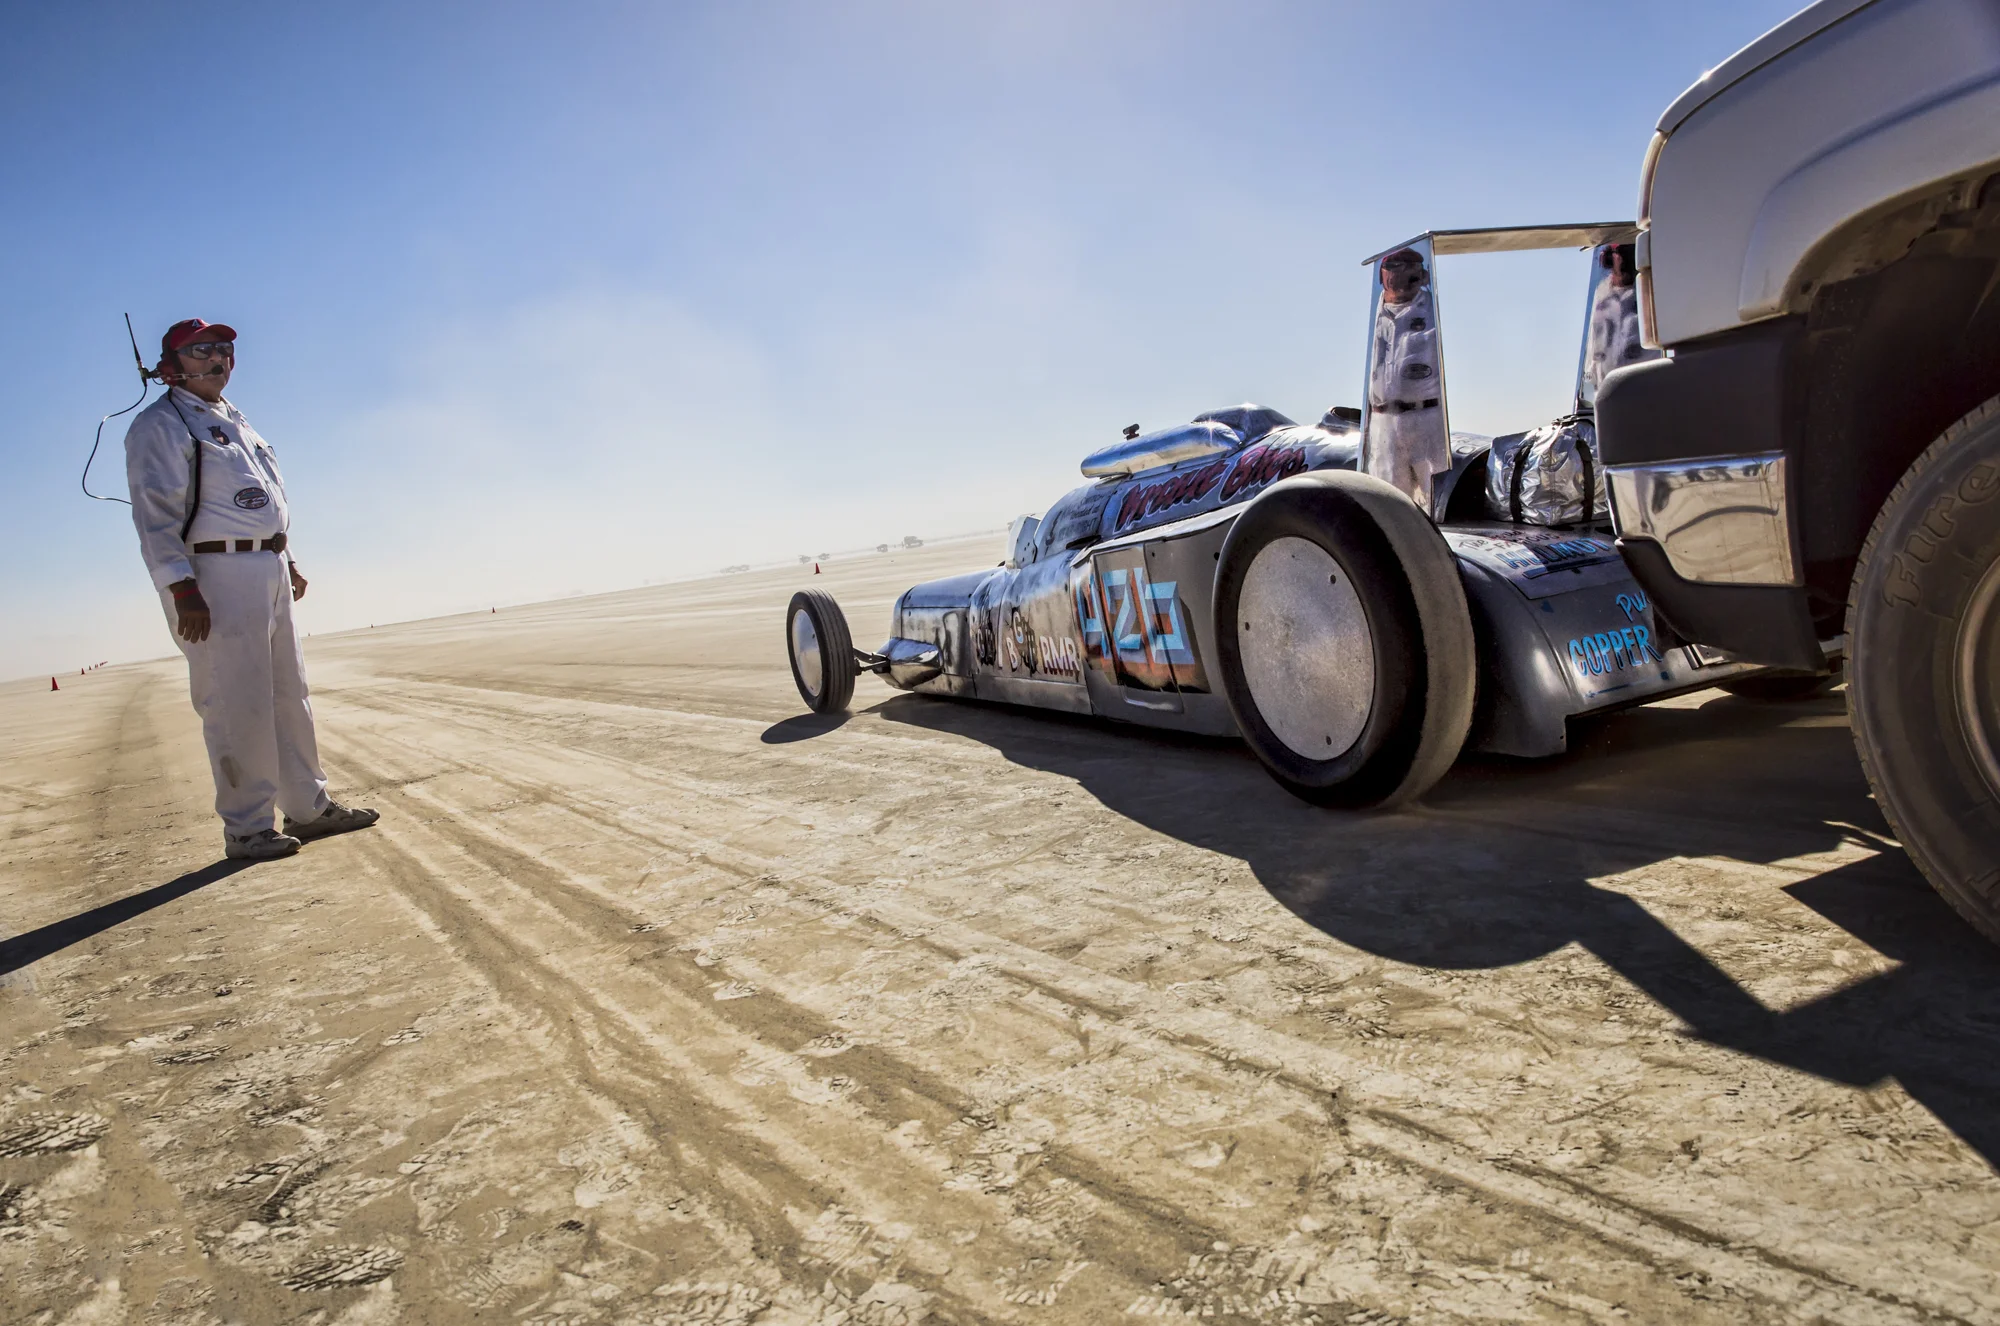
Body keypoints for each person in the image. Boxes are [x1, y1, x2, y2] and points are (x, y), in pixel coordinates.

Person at [124, 319, 379, 861]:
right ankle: (246, 829)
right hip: (213, 575)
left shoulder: (236, 420)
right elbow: (154, 514)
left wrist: (287, 559)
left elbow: (258, 498)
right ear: (170, 364)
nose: (218, 358)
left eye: (224, 349)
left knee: (290, 694)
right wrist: (180, 587)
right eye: (201, 350)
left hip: (267, 567)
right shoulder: (161, 425)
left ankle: (308, 807)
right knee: (235, 700)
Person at [1364, 248, 1450, 510]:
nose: (1396, 279)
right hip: (1384, 421)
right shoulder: (1376, 314)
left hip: (1426, 416)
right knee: (1388, 499)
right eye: (1391, 271)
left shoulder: (1432, 310)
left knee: (1432, 499)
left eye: (1406, 269)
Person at [1583, 243, 1661, 392]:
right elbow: (1594, 342)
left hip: (1644, 386)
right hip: (1607, 389)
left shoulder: (1649, 290)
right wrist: (1591, 377)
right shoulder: (1602, 294)